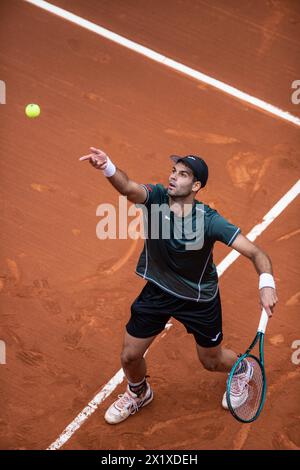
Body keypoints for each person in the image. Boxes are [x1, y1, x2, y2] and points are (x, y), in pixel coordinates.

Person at [79, 147, 278, 425]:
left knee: (211, 361)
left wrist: (266, 283)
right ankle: (139, 392)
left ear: (196, 186)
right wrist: (107, 166)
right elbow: (127, 187)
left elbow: (256, 253)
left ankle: (241, 369)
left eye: (183, 174)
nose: (173, 177)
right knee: (130, 356)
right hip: (158, 291)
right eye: (174, 171)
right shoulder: (156, 198)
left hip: (197, 300)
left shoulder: (210, 221)